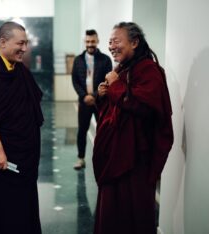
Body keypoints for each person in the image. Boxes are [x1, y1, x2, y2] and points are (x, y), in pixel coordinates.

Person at [92, 22, 174, 234]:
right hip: (115, 155)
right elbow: (115, 110)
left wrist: (116, 85)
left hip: (135, 159)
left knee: (133, 214)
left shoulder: (150, 70)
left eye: (117, 41)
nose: (111, 46)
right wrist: (104, 95)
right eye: (109, 42)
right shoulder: (122, 70)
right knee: (111, 212)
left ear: (135, 42)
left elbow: (144, 108)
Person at [0, 21, 43, 234]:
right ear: (3, 42)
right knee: (3, 205)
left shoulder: (17, 68)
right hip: (4, 155)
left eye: (26, 43)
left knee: (24, 201)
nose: (25, 48)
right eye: (20, 43)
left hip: (24, 152)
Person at [72, 29, 112, 170]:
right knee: (82, 131)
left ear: (98, 41)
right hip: (84, 102)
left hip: (101, 102)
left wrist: (94, 96)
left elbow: (108, 81)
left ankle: (104, 159)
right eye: (88, 41)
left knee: (103, 131)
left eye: (93, 41)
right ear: (85, 42)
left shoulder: (106, 60)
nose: (90, 44)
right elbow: (75, 81)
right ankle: (81, 158)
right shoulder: (78, 60)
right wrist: (84, 96)